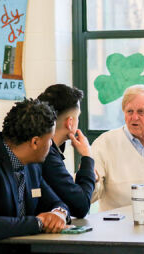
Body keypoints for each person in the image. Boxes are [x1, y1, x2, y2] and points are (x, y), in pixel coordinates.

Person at [0, 99, 70, 241]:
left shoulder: (32, 164)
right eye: (50, 139)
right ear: (35, 142)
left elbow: (56, 202)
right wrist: (38, 223)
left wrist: (59, 214)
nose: (51, 145)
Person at [37, 84, 95, 218]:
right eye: (78, 117)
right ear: (70, 123)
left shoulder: (48, 150)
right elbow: (81, 206)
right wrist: (87, 157)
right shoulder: (47, 156)